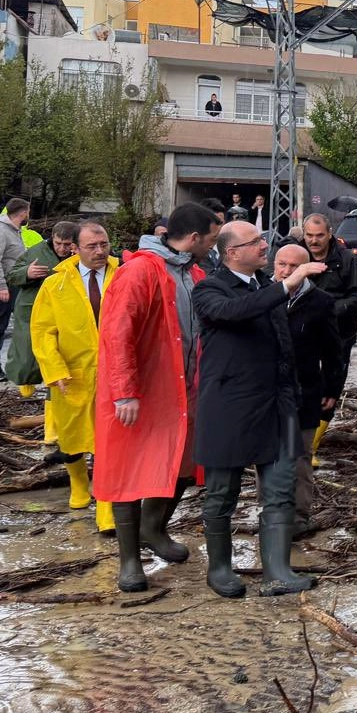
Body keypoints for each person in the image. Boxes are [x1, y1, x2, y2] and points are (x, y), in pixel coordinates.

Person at [193, 220, 325, 598]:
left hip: (277, 408)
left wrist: (293, 396)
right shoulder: (210, 289)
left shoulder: (266, 288)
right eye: (256, 242)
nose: (265, 246)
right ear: (232, 252)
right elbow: (236, 313)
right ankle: (219, 569)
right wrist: (287, 284)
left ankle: (278, 571)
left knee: (281, 489)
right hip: (228, 407)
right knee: (222, 493)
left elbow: (284, 347)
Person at [95, 202, 218, 592]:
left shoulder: (193, 272)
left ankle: (154, 527)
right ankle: (129, 560)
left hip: (185, 389)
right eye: (213, 239)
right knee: (128, 469)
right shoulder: (140, 272)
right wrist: (124, 392)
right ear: (195, 238)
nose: (214, 247)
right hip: (142, 392)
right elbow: (117, 335)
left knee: (184, 459)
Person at [31, 222, 120, 536]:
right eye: (92, 246)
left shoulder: (122, 275)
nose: (99, 251)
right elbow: (42, 332)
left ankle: (106, 503)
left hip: (114, 372)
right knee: (72, 437)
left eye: (104, 244)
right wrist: (54, 371)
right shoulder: (56, 284)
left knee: (110, 440)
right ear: (75, 248)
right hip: (73, 374)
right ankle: (79, 484)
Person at [272, 242, 344, 534]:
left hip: (305, 392)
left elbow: (332, 351)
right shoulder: (261, 296)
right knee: (269, 456)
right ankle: (272, 514)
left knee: (300, 457)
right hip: (267, 393)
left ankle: (299, 518)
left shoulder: (321, 302)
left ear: (306, 271)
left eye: (293, 266)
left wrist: (331, 389)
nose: (286, 271)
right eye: (281, 264)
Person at [301, 213, 357, 462]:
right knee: (301, 386)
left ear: (329, 234)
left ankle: (311, 447)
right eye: (309, 235)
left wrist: (332, 309)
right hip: (301, 336)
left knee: (331, 388)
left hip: (338, 336)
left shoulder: (345, 259)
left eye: (319, 235)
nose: (314, 241)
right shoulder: (296, 256)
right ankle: (294, 443)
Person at [5, 222, 79, 459]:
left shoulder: (81, 255)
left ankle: (52, 433)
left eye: (67, 245)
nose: (62, 249)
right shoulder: (36, 251)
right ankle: (24, 378)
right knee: (26, 360)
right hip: (32, 312)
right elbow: (12, 274)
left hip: (65, 320)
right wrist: (27, 273)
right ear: (52, 239)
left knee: (56, 376)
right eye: (58, 244)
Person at [0, 198, 31, 382]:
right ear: (22, 212)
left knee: (17, 322)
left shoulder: (14, 231)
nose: (28, 215)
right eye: (27, 211)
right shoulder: (0, 232)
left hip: (16, 284)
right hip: (4, 286)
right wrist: (1, 286)